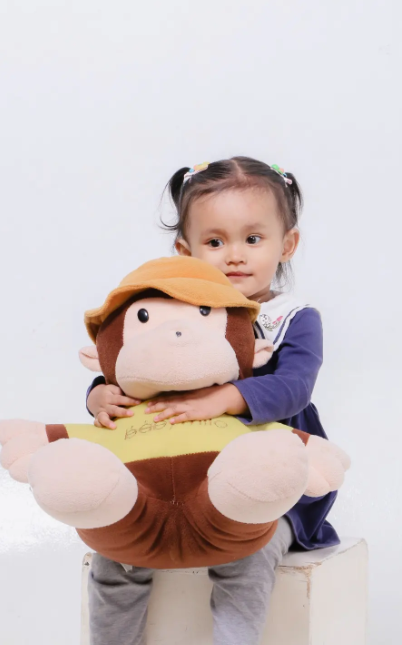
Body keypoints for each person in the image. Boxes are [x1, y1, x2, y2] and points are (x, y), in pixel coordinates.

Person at [86, 156, 339, 645]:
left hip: (265, 480)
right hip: (175, 476)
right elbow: (129, 363)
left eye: (253, 238)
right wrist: (100, 393)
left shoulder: (293, 317)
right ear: (185, 251)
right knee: (116, 552)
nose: (235, 256)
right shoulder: (172, 305)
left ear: (287, 244)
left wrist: (227, 397)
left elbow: (295, 386)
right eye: (215, 242)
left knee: (249, 551)